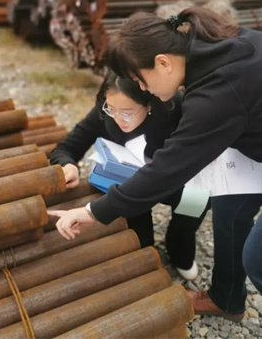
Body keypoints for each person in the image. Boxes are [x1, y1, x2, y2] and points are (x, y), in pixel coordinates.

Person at [49, 7, 262, 339]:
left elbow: (168, 168)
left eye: (140, 79)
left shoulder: (216, 92)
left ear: (163, 62)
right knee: (230, 205)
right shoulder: (208, 44)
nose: (141, 88)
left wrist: (93, 212)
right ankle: (226, 298)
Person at [49, 71, 210, 280]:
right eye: (111, 109)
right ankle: (146, 250)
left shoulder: (175, 107)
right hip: (134, 188)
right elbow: (65, 148)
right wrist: (68, 164)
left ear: (149, 104)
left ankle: (179, 246)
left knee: (195, 204)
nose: (118, 119)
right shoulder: (105, 112)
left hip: (180, 180)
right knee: (140, 240)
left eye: (127, 112)